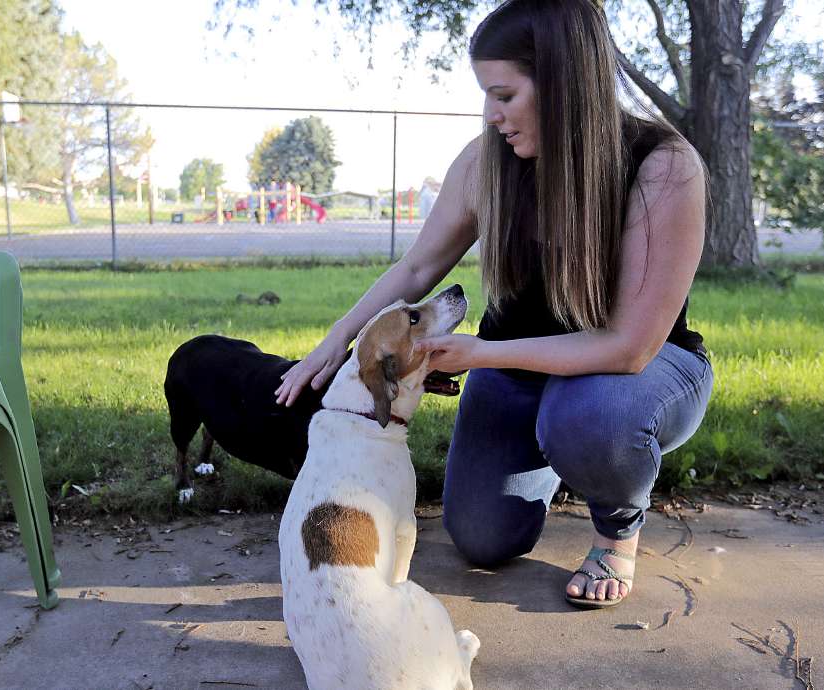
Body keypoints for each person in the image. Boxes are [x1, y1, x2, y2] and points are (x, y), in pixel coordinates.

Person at [274, 0, 713, 609]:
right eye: (486, 95)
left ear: (563, 82)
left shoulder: (663, 167)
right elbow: (419, 267)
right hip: (514, 370)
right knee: (482, 539)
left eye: (504, 94)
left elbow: (630, 347)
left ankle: (617, 529)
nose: (492, 114)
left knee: (586, 418)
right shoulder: (487, 164)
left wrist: (481, 352)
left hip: (635, 374)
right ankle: (555, 447)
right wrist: (336, 339)